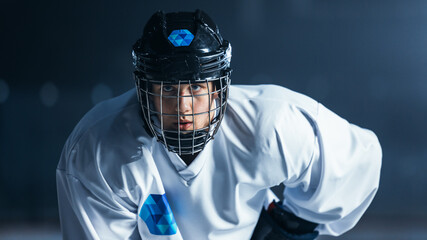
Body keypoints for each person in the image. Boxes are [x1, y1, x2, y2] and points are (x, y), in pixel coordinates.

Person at [56, 10, 382, 240]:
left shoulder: (271, 125)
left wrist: (290, 227)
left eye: (196, 87)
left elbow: (357, 163)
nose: (183, 106)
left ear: (217, 88)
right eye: (168, 88)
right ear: (146, 89)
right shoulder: (98, 150)